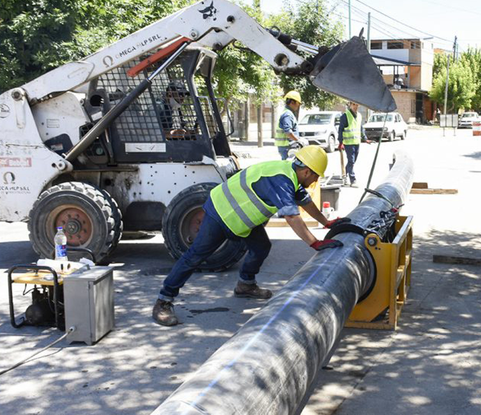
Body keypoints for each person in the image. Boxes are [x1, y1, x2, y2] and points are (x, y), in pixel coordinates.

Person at [152, 145, 347, 326]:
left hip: (240, 217)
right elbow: (292, 216)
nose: (315, 181)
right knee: (195, 256)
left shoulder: (290, 175)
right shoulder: (281, 179)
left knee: (261, 247)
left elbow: (305, 202)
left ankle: (245, 285)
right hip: (221, 213)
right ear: (307, 171)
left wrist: (326, 222)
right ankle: (164, 300)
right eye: (315, 177)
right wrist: (315, 244)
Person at [337, 101, 370, 187]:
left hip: (356, 142)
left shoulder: (359, 115)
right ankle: (353, 180)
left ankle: (344, 173)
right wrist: (340, 142)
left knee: (353, 161)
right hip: (348, 143)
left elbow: (360, 128)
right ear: (350, 105)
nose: (355, 106)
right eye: (354, 104)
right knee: (351, 161)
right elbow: (340, 130)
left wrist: (365, 138)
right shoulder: (345, 116)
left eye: (357, 105)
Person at [276, 90, 305, 160]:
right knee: (289, 167)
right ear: (292, 102)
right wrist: (298, 140)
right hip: (287, 147)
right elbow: (288, 132)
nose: (298, 106)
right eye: (298, 104)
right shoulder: (287, 114)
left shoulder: (286, 113)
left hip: (286, 146)